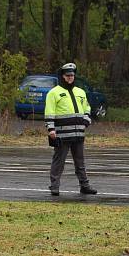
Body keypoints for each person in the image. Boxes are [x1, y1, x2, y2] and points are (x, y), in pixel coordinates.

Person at [45, 62, 97, 196]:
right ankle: (54, 186)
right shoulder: (54, 93)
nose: (70, 78)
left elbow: (87, 108)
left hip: (79, 133)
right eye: (67, 75)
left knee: (80, 162)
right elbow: (49, 112)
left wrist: (86, 120)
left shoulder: (80, 92)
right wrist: (51, 129)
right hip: (62, 134)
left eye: (72, 75)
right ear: (62, 76)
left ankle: (84, 186)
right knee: (59, 162)